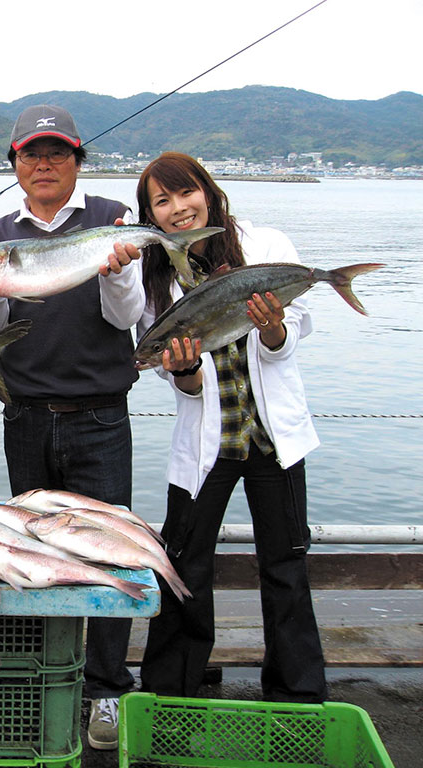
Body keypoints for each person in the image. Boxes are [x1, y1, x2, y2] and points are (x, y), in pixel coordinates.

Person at [0, 105, 143, 751]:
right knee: (28, 553)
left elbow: (128, 319)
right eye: (31, 154)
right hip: (27, 417)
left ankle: (107, 690)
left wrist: (116, 271)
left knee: (108, 548)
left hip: (99, 417)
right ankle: (42, 676)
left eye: (57, 153)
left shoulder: (113, 218)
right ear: (14, 164)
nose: (43, 164)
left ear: (77, 161)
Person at [134, 151, 327, 703]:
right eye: (161, 202)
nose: (177, 208)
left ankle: (297, 697)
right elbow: (182, 385)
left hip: (273, 438)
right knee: (183, 567)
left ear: (208, 191)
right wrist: (186, 370)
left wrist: (272, 332)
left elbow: (294, 336)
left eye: (184, 193)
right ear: (152, 216)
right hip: (206, 443)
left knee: (285, 566)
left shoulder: (267, 246)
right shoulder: (158, 278)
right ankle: (172, 694)